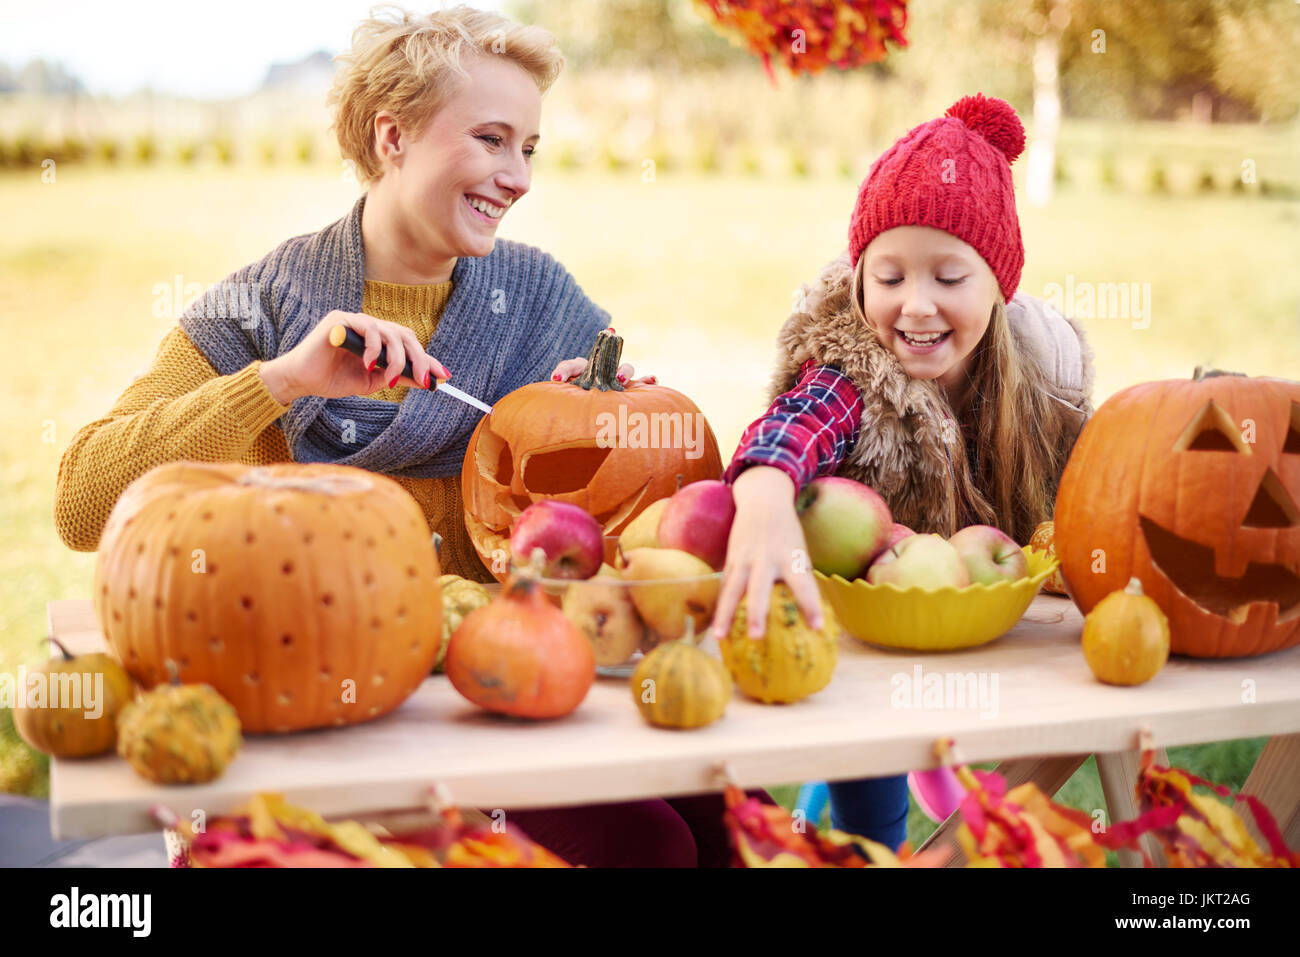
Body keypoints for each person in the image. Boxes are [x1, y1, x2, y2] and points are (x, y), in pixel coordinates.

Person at [53, 4, 767, 867]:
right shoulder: (263, 306)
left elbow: (615, 522)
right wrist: (280, 383)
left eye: (529, 148)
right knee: (648, 845)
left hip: (500, 685)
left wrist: (584, 424)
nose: (520, 177)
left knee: (736, 812)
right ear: (393, 138)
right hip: (329, 716)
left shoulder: (541, 302)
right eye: (492, 140)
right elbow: (81, 500)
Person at [705, 94, 1097, 850]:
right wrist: (762, 493)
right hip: (872, 636)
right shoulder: (853, 374)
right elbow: (788, 430)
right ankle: (874, 845)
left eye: (949, 277)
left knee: (984, 768)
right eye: (889, 277)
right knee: (875, 750)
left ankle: (955, 804)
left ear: (998, 284)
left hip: (982, 624)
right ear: (858, 282)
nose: (915, 306)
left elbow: (1102, 483)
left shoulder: (1037, 389)